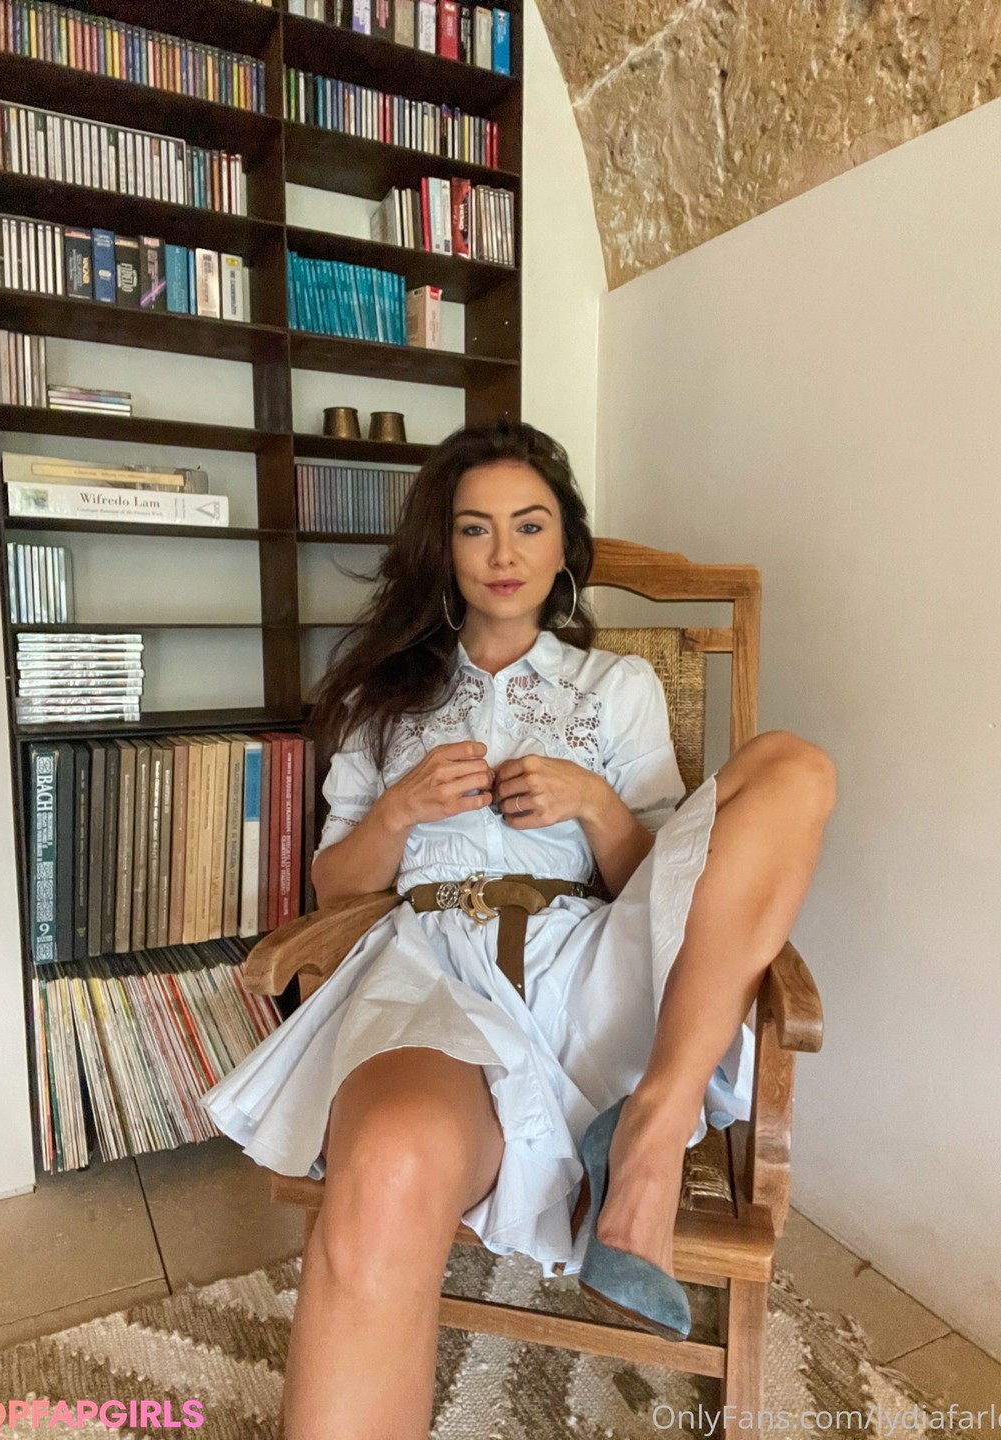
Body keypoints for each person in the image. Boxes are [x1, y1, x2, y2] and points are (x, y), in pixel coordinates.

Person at [199, 419, 837, 1439]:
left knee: (794, 766)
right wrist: (400, 809)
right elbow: (333, 889)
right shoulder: (383, 696)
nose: (504, 553)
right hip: (434, 972)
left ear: (563, 545)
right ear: (443, 547)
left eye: (530, 525)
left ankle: (651, 1128)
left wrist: (598, 806)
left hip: (591, 962)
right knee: (389, 1160)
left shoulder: (616, 687)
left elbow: (666, 885)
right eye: (475, 528)